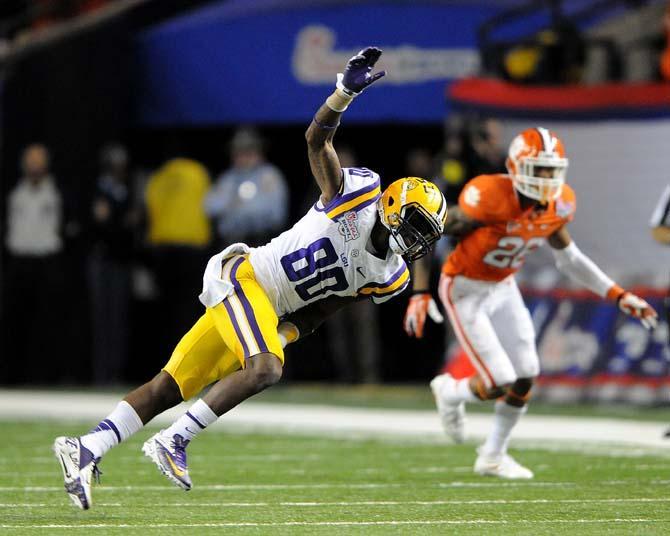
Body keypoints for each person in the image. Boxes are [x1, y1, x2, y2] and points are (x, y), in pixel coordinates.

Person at [53, 46, 448, 510]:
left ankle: (85, 448)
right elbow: (316, 141)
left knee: (168, 386)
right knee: (266, 369)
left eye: (428, 233)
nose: (420, 240)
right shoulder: (356, 195)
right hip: (245, 277)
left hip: (269, 308)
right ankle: (173, 440)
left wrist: (291, 329)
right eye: (418, 226)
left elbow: (332, 302)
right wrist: (342, 94)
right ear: (392, 210)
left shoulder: (391, 275)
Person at [404, 127, 658, 479]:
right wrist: (419, 292)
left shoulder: (559, 203)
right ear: (516, 167)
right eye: (539, 169)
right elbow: (430, 229)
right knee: (500, 379)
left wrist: (619, 294)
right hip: (464, 288)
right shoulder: (489, 196)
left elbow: (570, 259)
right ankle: (451, 390)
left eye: (552, 170)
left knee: (526, 375)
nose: (547, 178)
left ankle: (493, 455)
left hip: (503, 286)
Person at [2, 144, 65, 383]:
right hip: (19, 262)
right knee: (15, 322)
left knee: (45, 323)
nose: (34, 165)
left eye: (38, 161)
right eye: (31, 161)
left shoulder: (55, 192)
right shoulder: (16, 193)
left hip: (46, 263)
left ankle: (44, 377)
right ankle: (12, 376)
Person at [87, 143, 137, 385]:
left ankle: (114, 372)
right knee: (102, 318)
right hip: (102, 260)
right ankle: (101, 373)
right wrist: (122, 224)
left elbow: (125, 224)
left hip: (120, 260)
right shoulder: (99, 190)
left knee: (118, 318)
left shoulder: (124, 192)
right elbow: (101, 224)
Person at [205, 127, 288, 247]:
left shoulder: (269, 175)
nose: (244, 157)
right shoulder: (228, 179)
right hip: (231, 243)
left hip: (261, 242)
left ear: (259, 153)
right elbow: (210, 207)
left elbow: (277, 216)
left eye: (249, 152)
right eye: (239, 152)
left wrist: (243, 213)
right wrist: (232, 202)